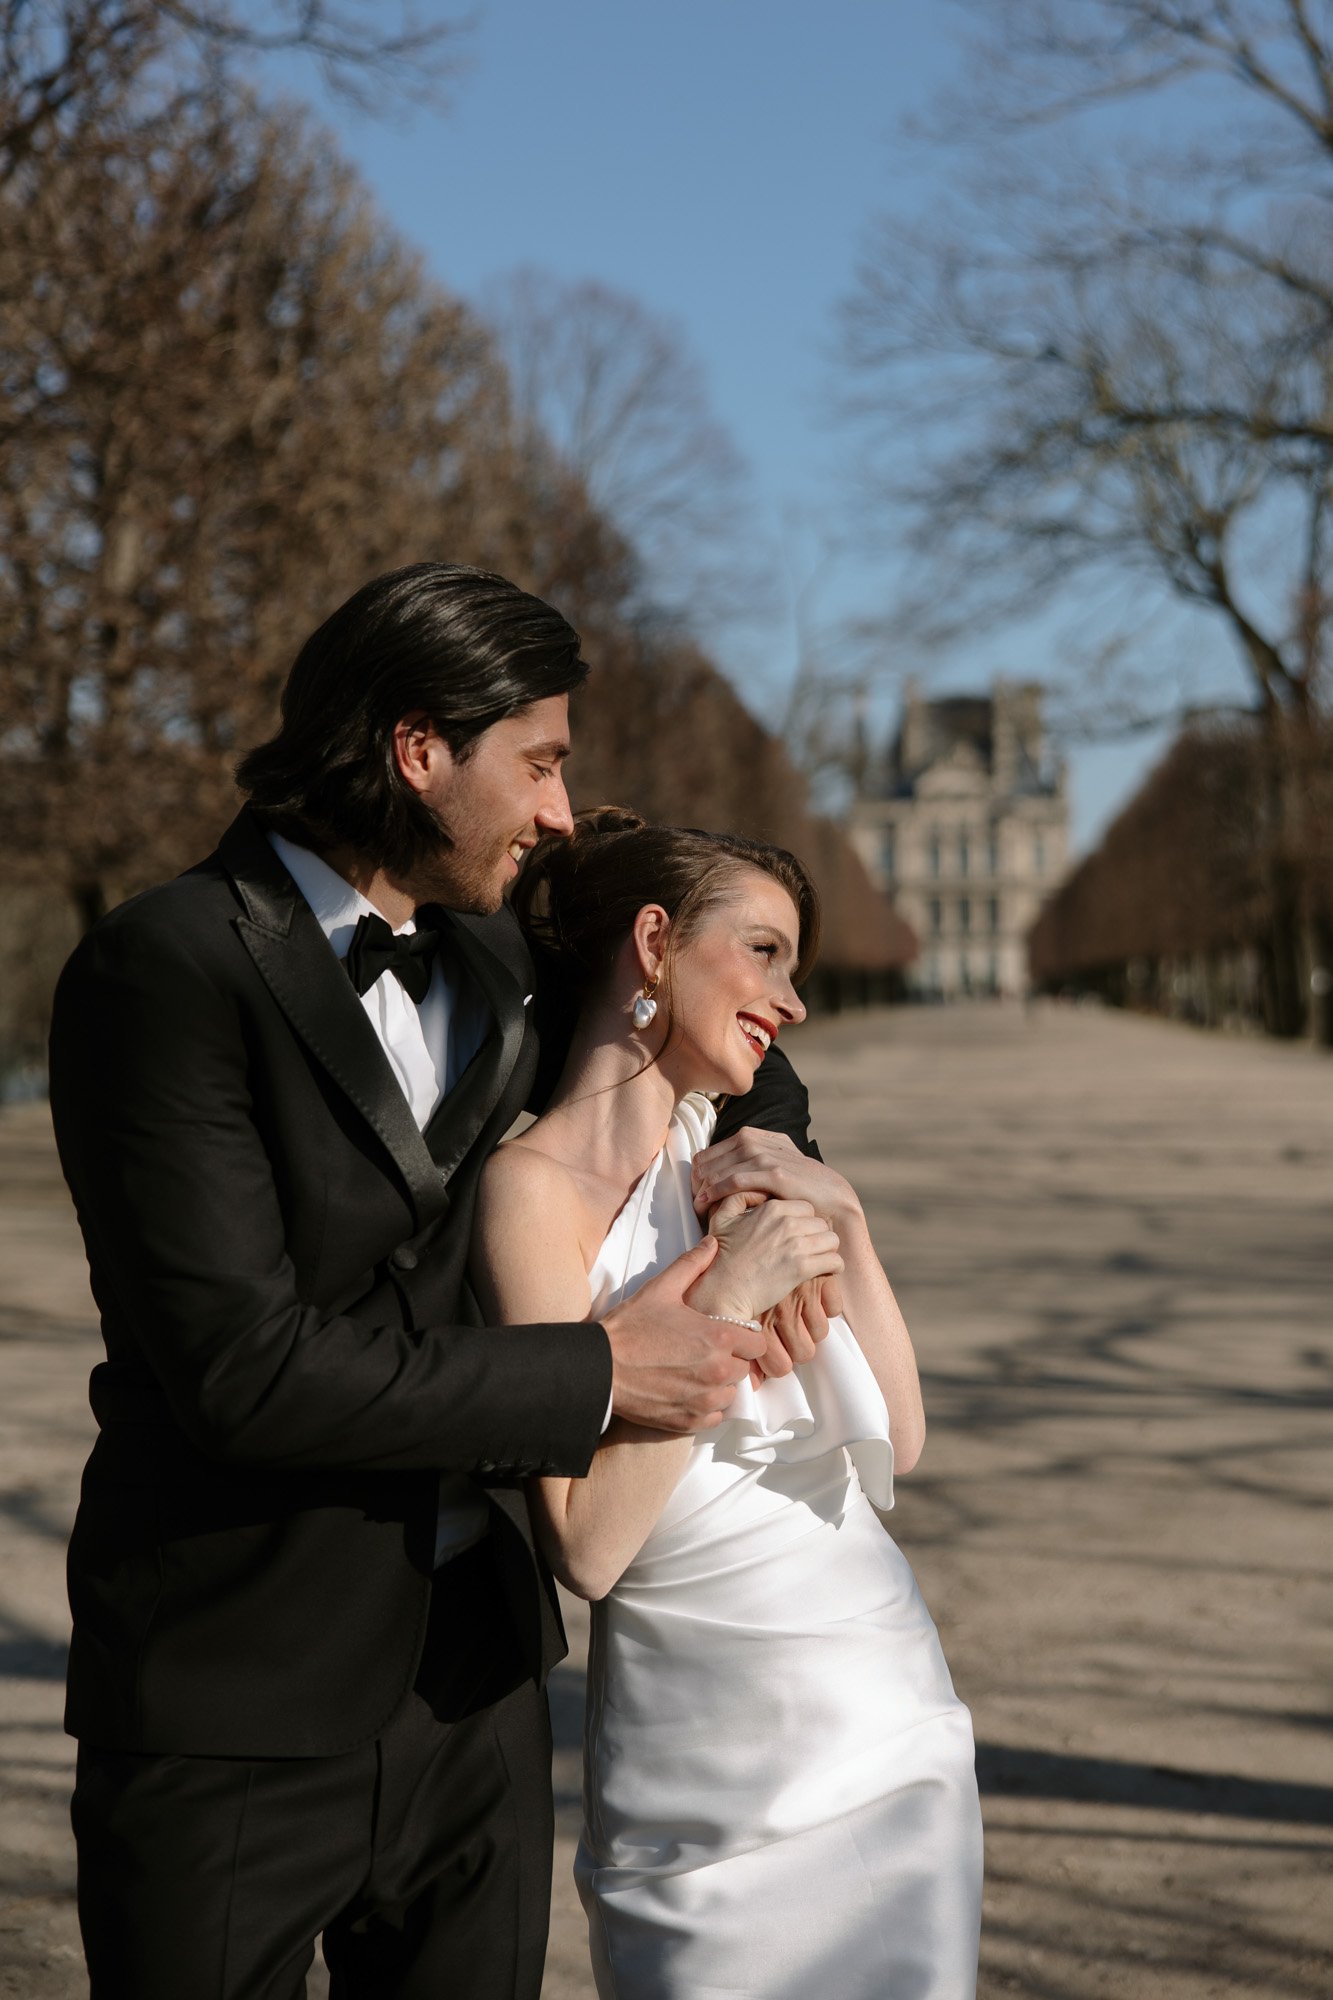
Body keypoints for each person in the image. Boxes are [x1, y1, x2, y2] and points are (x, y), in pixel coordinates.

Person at [47, 564, 827, 2000]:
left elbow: (728, 1011)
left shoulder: (509, 951)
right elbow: (246, 1366)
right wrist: (596, 1372)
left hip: (479, 1694)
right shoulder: (160, 975)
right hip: (234, 1700)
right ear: (419, 753)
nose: (555, 809)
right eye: (537, 762)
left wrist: (764, 1155)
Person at [472, 809, 984, 2000]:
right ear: (654, 941)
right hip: (697, 1765)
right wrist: (726, 1298)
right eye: (763, 952)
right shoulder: (528, 1191)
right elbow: (588, 1547)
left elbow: (895, 1438)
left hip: (884, 1715)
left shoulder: (756, 1161)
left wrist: (840, 1213)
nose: (789, 999)